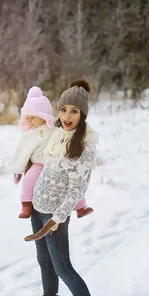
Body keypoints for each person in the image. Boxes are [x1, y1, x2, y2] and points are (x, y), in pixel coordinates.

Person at [24, 79, 109, 296]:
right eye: (63, 110)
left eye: (74, 111)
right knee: (45, 263)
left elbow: (76, 190)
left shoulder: (84, 144)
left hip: (54, 216)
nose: (67, 116)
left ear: (82, 113)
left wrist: (56, 218)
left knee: (63, 267)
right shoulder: (57, 134)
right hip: (38, 208)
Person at [12, 86, 93, 219]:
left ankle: (80, 207)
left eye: (32, 117)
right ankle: (26, 204)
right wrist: (18, 170)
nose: (30, 121)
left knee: (68, 181)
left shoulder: (55, 129)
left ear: (43, 116)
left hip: (54, 162)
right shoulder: (30, 135)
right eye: (28, 118)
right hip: (38, 164)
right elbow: (22, 152)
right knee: (29, 179)